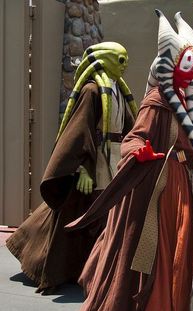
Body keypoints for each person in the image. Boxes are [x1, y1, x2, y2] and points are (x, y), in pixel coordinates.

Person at [14, 10, 193, 311]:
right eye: (187, 62)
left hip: (178, 193)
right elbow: (133, 137)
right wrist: (136, 153)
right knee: (154, 266)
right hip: (152, 195)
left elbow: (189, 146)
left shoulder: (175, 101)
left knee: (178, 266)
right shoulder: (151, 100)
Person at [6, 42, 137, 295]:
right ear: (105, 60)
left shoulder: (118, 91)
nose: (126, 64)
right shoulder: (92, 90)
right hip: (94, 165)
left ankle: (93, 269)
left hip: (112, 164)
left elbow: (130, 127)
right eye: (121, 59)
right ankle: (46, 262)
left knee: (93, 216)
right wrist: (81, 168)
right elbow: (78, 130)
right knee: (75, 217)